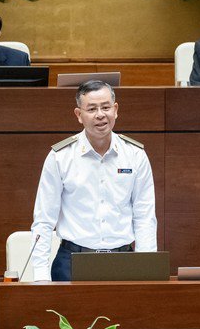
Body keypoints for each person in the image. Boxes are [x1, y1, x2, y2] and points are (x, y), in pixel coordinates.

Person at [30, 80, 158, 281]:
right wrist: (40, 275)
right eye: (91, 109)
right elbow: (44, 221)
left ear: (115, 110)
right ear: (79, 115)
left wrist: (147, 269)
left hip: (123, 261)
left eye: (106, 107)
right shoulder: (60, 157)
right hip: (71, 262)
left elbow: (145, 217)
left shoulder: (135, 155)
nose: (100, 115)